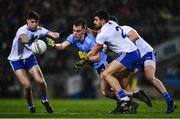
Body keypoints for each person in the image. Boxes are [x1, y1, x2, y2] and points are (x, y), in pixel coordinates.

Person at [47, 18, 147, 113]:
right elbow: (63, 45)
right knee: (105, 92)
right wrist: (54, 45)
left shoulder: (91, 41)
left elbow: (98, 57)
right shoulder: (72, 37)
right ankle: (129, 102)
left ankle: (132, 97)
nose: (75, 33)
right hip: (98, 66)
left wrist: (85, 59)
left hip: (105, 63)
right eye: (74, 30)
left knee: (107, 90)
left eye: (78, 31)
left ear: (84, 30)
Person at [86, 9, 142, 113]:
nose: (94, 22)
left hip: (127, 54)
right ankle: (129, 104)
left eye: (96, 20)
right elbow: (99, 32)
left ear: (102, 21)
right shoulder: (111, 23)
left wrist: (85, 57)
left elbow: (94, 51)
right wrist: (90, 31)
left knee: (106, 73)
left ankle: (125, 100)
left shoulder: (102, 34)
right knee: (119, 81)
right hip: (134, 52)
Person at [8, 11, 60, 113]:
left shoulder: (39, 29)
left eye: (36, 22)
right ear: (27, 21)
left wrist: (64, 33)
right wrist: (36, 41)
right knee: (27, 86)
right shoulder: (21, 30)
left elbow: (53, 34)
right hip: (16, 60)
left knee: (40, 81)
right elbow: (23, 39)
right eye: (32, 22)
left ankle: (44, 100)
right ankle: (31, 106)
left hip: (29, 58)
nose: (35, 24)